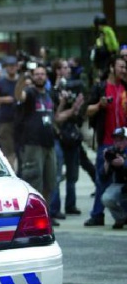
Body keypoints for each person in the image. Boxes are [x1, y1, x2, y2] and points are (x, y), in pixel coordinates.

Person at [84, 55, 127, 226]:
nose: (124, 70)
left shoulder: (125, 87)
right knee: (103, 178)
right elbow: (87, 110)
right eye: (121, 67)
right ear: (111, 68)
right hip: (107, 140)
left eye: (125, 67)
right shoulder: (101, 87)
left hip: (126, 141)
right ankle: (97, 214)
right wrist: (99, 105)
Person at [16, 65, 57, 206]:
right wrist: (22, 79)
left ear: (46, 76)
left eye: (43, 73)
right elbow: (18, 96)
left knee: (50, 182)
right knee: (34, 182)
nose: (40, 76)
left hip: (49, 143)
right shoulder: (30, 92)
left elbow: (55, 117)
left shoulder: (49, 94)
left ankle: (46, 214)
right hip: (33, 144)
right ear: (33, 77)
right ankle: (33, 216)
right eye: (37, 74)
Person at [50, 59, 85, 220]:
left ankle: (71, 205)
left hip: (72, 135)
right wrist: (67, 105)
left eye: (68, 67)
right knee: (57, 174)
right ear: (57, 71)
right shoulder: (51, 90)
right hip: (58, 135)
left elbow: (79, 114)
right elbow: (56, 118)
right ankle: (55, 208)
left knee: (72, 174)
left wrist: (77, 107)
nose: (68, 70)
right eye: (64, 67)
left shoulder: (73, 87)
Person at [0, 56, 19, 170]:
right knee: (8, 150)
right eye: (9, 66)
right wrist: (5, 99)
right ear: (6, 68)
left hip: (21, 121)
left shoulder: (21, 82)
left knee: (21, 151)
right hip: (5, 120)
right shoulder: (0, 82)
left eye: (13, 66)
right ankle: (12, 172)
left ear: (17, 67)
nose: (11, 68)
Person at [100, 127, 127, 229]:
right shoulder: (112, 153)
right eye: (116, 140)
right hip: (120, 185)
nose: (118, 143)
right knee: (107, 198)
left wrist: (124, 163)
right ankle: (121, 218)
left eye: (121, 140)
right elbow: (102, 179)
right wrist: (107, 163)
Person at [91, 13, 119, 81]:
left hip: (106, 57)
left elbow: (113, 46)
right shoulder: (107, 31)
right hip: (107, 56)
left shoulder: (105, 32)